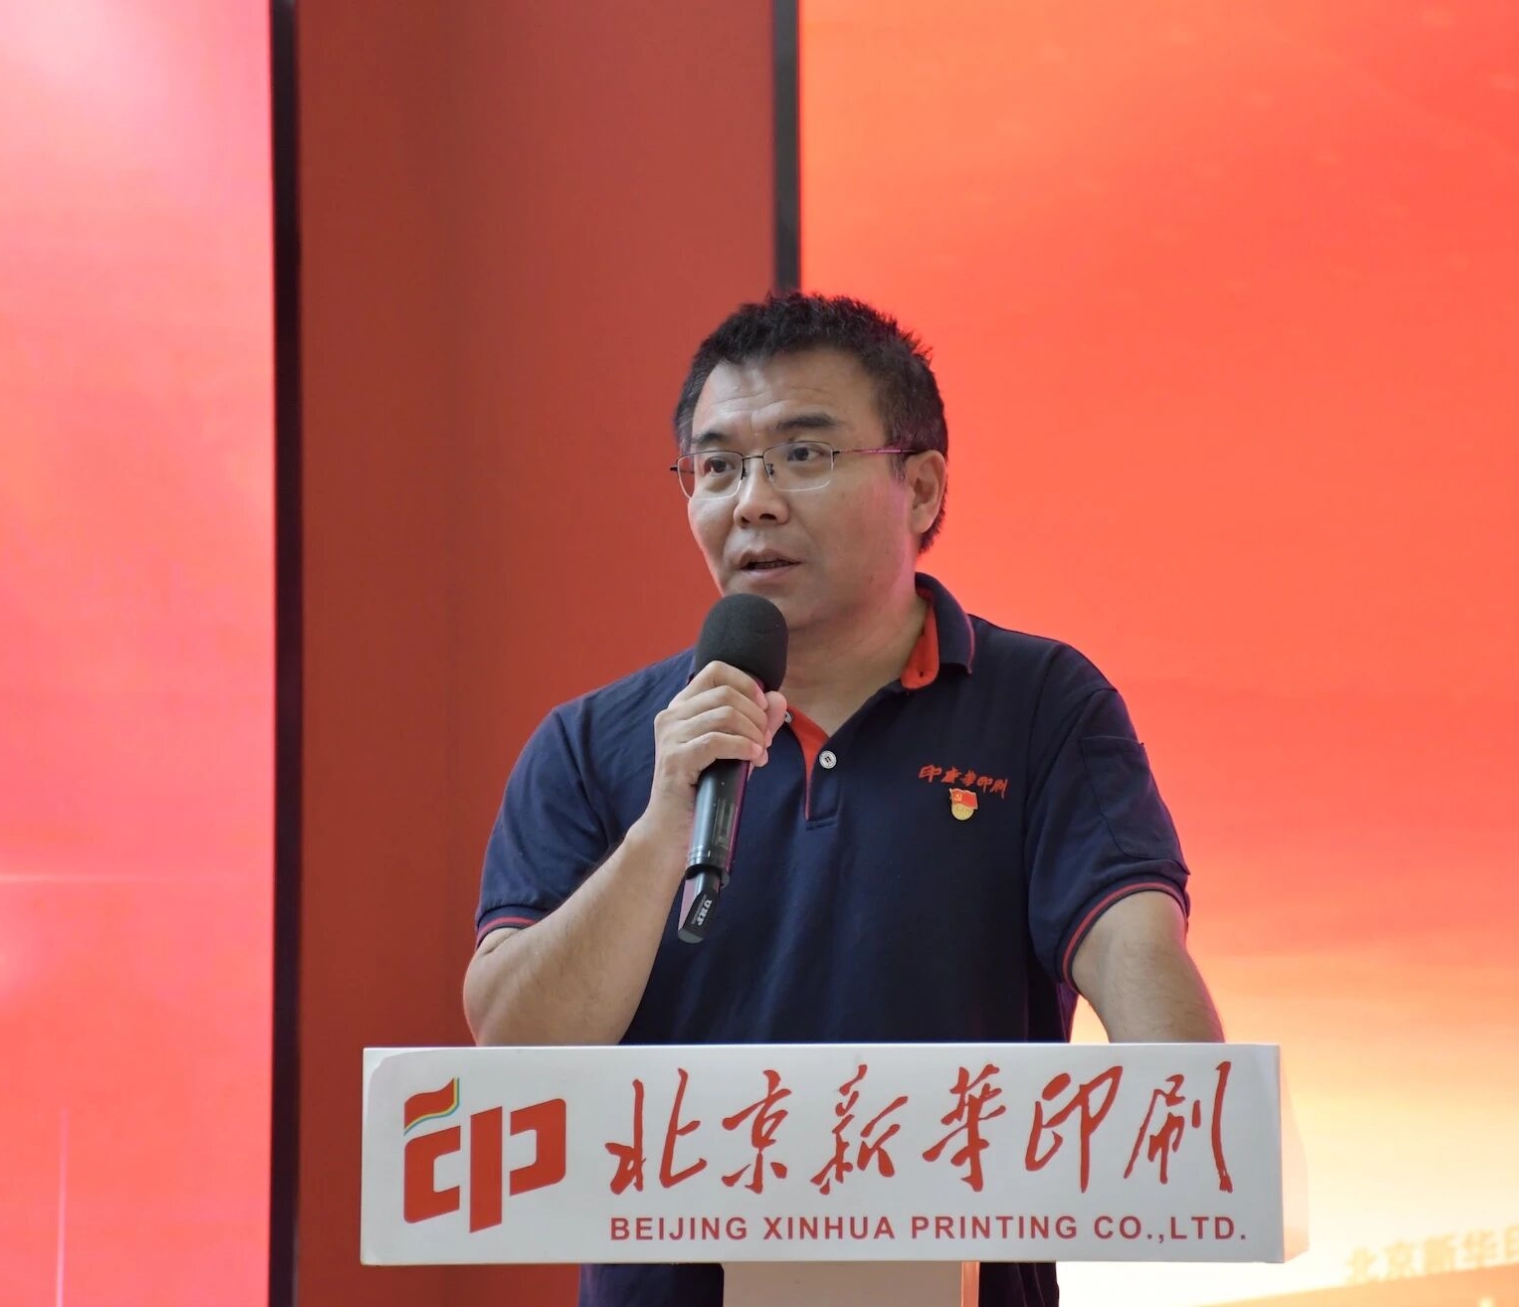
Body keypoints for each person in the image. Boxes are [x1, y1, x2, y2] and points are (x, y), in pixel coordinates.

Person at [463, 291, 1222, 1307]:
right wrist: (662, 824)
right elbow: (515, 1051)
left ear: (922, 487)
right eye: (718, 466)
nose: (753, 501)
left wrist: (1193, 1117)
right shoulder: (592, 744)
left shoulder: (1040, 705)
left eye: (804, 455)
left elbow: (1133, 946)